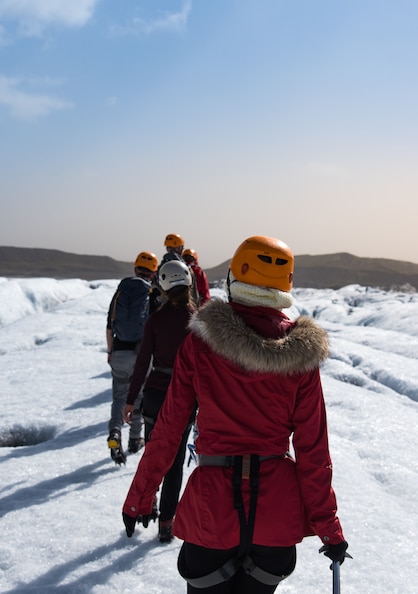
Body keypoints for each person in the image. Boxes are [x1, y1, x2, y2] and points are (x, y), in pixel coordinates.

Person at [122, 235, 349, 593]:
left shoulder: (199, 344)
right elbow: (313, 453)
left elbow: (168, 431)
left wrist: (140, 496)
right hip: (274, 515)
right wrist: (329, 528)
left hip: (212, 510)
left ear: (234, 278)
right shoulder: (302, 357)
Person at [123, 259, 197, 542]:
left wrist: (131, 400)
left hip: (155, 396)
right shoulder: (197, 320)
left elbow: (142, 363)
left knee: (153, 456)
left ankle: (146, 503)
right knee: (175, 463)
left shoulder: (155, 320)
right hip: (184, 400)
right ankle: (166, 523)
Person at [106, 251, 158, 464]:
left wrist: (110, 351)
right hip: (141, 354)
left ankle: (115, 432)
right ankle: (135, 439)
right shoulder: (151, 293)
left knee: (119, 397)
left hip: (119, 350)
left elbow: (110, 325)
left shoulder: (121, 291)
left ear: (135, 268)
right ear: (153, 273)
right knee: (137, 396)